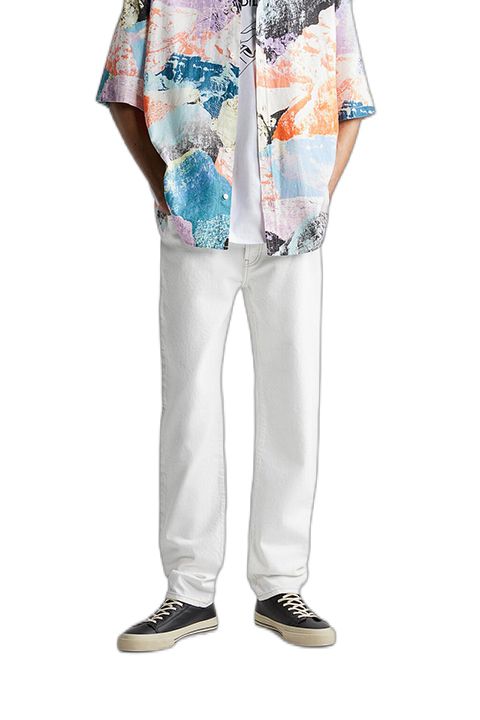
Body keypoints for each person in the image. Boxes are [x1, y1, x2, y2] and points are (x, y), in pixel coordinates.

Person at [97, 0, 375, 651]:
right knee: (187, 404)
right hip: (197, 231)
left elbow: (350, 101)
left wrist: (318, 196)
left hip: (293, 233)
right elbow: (120, 89)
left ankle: (281, 585)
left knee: (293, 404)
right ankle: (189, 591)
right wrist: (167, 189)